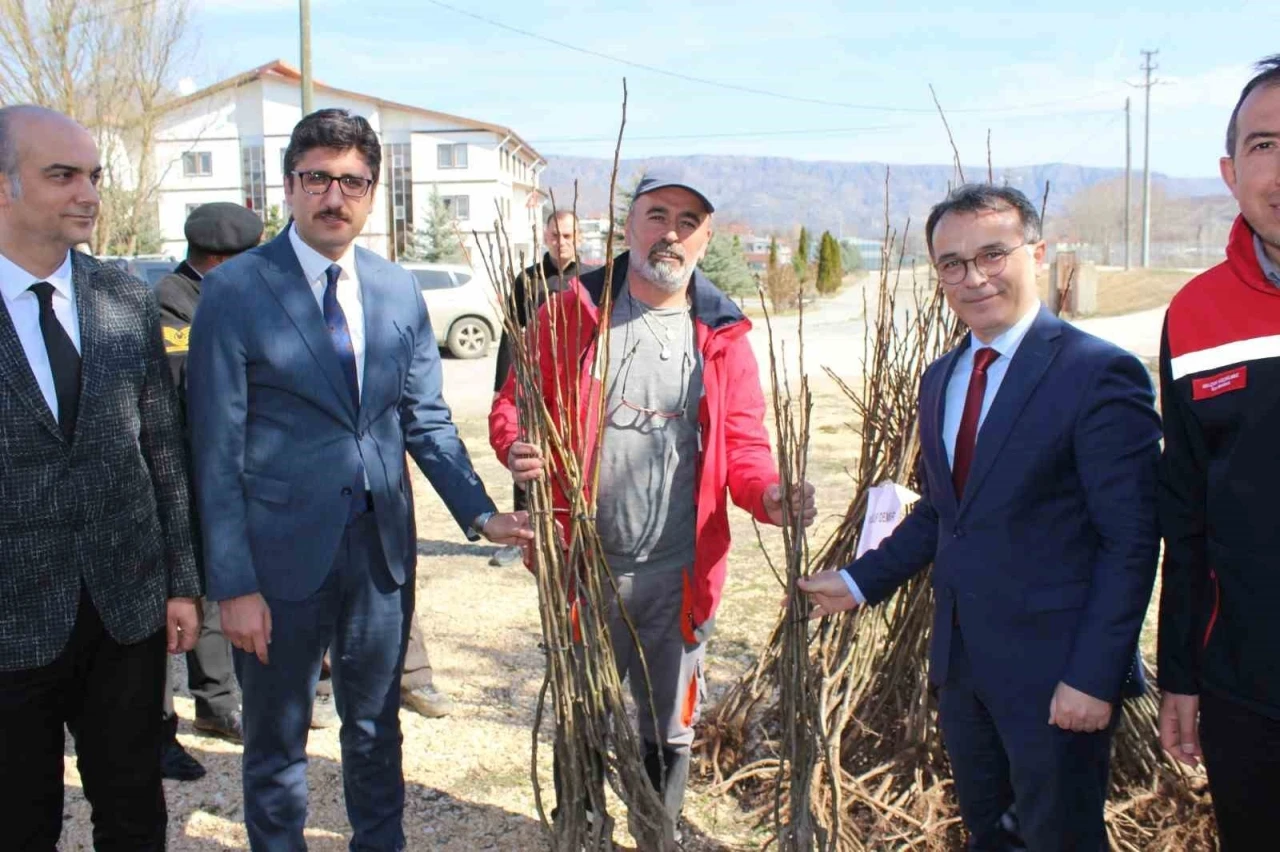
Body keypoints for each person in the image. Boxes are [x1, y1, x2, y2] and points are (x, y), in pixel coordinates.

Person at [187, 108, 530, 851]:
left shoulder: (397, 289)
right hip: (277, 563)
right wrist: (233, 585)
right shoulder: (237, 291)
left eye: (352, 181)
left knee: (375, 728)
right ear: (288, 186)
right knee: (277, 743)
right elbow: (214, 448)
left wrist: (481, 515)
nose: (333, 195)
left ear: (373, 193)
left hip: (378, 555)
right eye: (317, 178)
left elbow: (425, 417)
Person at [796, 184, 1160, 851]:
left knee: (1059, 838)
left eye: (993, 253)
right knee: (991, 834)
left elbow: (1131, 539)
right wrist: (857, 583)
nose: (974, 276)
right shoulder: (944, 377)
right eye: (953, 263)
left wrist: (1093, 675)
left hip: (1059, 676)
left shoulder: (1098, 373)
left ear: (1039, 254)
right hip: (964, 668)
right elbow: (945, 512)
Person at [489, 172, 816, 841]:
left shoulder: (722, 334)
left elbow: (744, 443)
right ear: (628, 226)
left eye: (688, 221)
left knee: (668, 724)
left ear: (706, 237)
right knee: (583, 712)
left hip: (679, 571)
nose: (671, 232)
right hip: (585, 567)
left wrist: (770, 496)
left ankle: (655, 831)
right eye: (657, 215)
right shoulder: (571, 313)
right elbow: (513, 407)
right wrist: (517, 446)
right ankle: (580, 828)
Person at [0, 104, 201, 849]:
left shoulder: (122, 298)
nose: (88, 193)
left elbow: (162, 449)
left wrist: (181, 581)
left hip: (125, 605)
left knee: (134, 810)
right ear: (4, 187)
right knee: (19, 821)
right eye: (62, 175)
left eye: (93, 175)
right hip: (10, 620)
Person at [1156, 54, 1280, 850]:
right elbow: (1185, 509)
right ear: (1232, 173)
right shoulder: (1197, 317)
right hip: (1249, 689)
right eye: (1266, 144)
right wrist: (1178, 672)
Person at [155, 201, 262, 781]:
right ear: (218, 262)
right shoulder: (174, 300)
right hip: (180, 473)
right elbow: (189, 388)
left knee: (224, 588)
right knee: (185, 598)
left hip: (225, 469)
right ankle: (187, 717)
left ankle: (221, 702)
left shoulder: (224, 296)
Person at [488, 208, 585, 567]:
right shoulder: (527, 281)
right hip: (532, 386)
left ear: (579, 238)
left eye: (570, 236)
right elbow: (510, 335)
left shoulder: (591, 280)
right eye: (556, 235)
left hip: (573, 388)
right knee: (526, 454)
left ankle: (570, 527)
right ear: (546, 237)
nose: (563, 243)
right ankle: (522, 535)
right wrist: (503, 388)